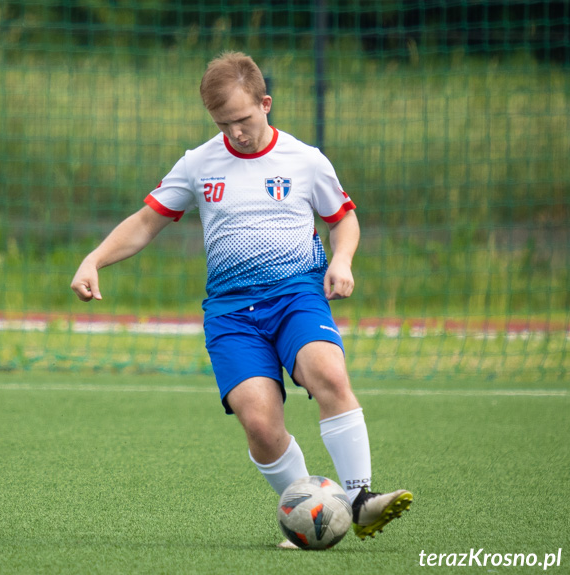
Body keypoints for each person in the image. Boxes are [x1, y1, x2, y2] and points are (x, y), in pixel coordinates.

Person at [70, 52, 411, 545]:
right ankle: (310, 512)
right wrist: (93, 259)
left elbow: (343, 218)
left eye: (244, 120)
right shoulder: (198, 163)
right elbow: (147, 221)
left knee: (329, 373)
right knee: (260, 423)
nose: (236, 133)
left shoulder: (305, 160)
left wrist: (342, 261)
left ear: (265, 103)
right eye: (224, 124)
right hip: (232, 313)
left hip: (296, 294)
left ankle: (359, 502)